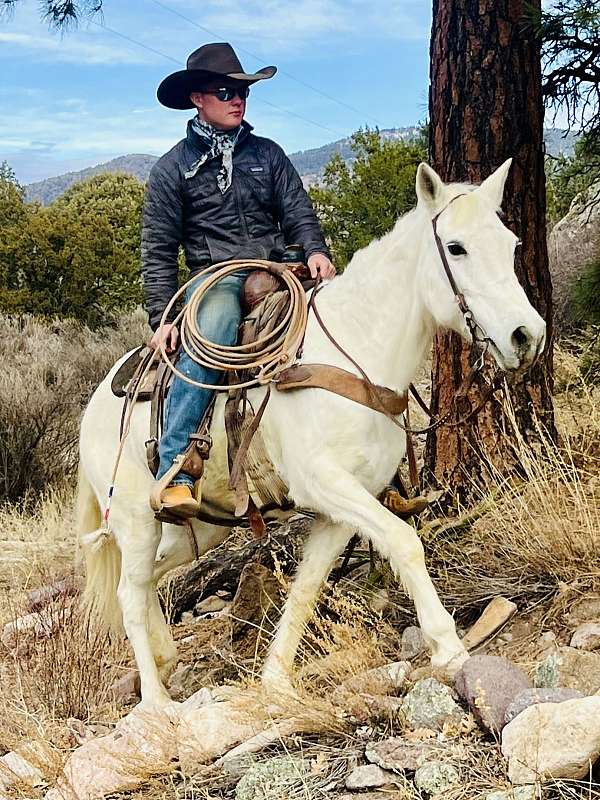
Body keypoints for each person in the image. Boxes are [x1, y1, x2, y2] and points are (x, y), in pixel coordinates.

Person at [141, 42, 335, 518]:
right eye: (226, 91)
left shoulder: (267, 155)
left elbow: (297, 211)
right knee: (214, 330)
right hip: (217, 276)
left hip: (277, 269)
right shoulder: (172, 170)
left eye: (243, 91)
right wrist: (161, 317)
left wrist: (315, 251)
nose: (238, 100)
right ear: (197, 100)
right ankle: (178, 471)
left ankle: (373, 467)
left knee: (340, 320)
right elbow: (159, 250)